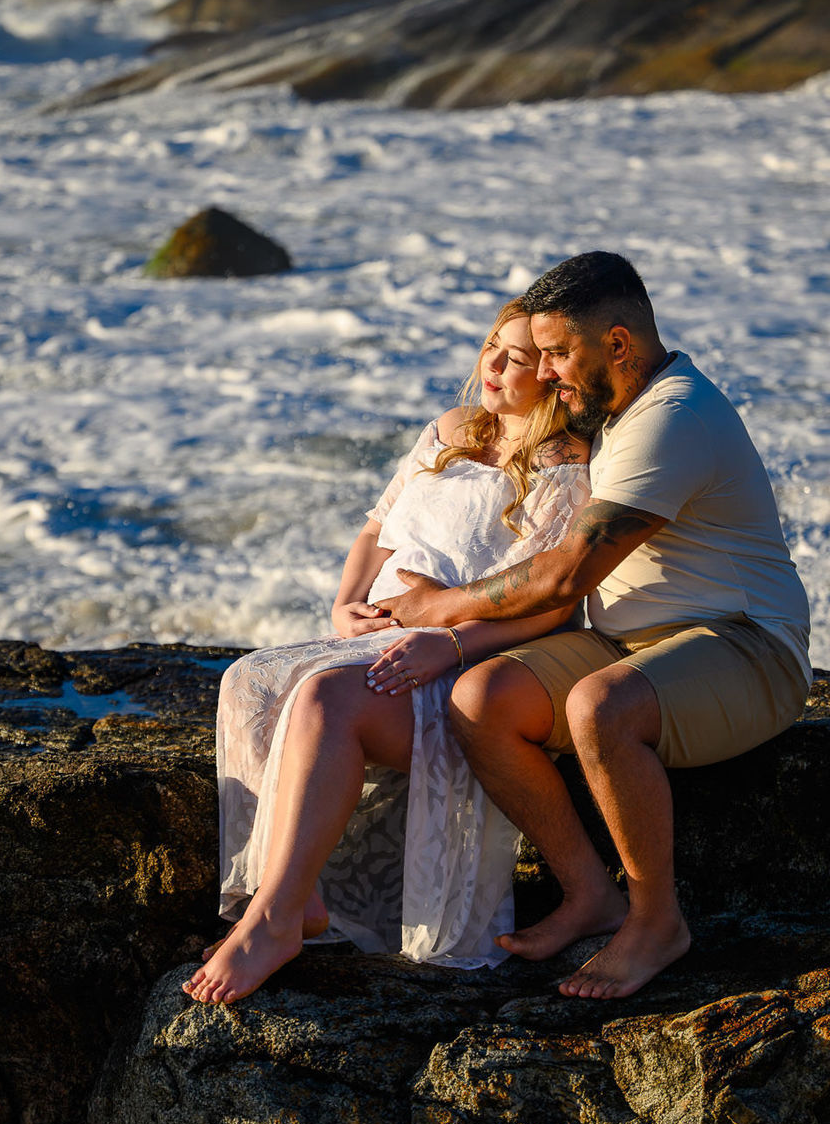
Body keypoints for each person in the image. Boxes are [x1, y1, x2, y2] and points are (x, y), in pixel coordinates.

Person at [382, 251, 812, 1003]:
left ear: (617, 344)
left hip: (745, 644)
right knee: (480, 700)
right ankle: (589, 894)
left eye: (555, 353)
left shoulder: (672, 418)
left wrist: (438, 607)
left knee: (598, 706)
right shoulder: (611, 412)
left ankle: (655, 920)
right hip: (629, 640)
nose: (543, 372)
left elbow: (565, 572)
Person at [183, 299, 590, 1006]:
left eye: (518, 357)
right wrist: (345, 602)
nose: (493, 364)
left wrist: (450, 640)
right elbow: (377, 527)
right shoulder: (452, 429)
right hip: (381, 636)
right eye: (492, 344)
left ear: (553, 374)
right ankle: (298, 896)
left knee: (321, 700)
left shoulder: (564, 464)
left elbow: (553, 604)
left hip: (457, 664)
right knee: (249, 681)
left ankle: (272, 923)